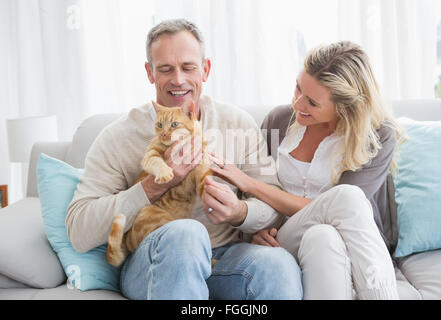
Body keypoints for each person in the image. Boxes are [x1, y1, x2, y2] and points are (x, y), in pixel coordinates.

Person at [65, 19, 302, 300]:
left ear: (205, 69)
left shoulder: (238, 123)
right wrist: (152, 186)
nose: (178, 79)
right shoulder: (118, 137)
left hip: (225, 260)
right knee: (186, 234)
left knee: (279, 263)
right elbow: (79, 230)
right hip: (153, 262)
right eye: (165, 69)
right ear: (149, 73)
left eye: (188, 67)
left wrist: (240, 212)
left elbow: (274, 206)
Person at [208, 41, 405, 300]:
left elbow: (343, 215)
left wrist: (249, 183)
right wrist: (257, 229)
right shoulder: (279, 120)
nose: (297, 103)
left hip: (344, 245)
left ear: (344, 107)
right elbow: (254, 203)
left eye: (312, 102)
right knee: (345, 198)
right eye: (298, 88)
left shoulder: (378, 135)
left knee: (325, 230)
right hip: (283, 237)